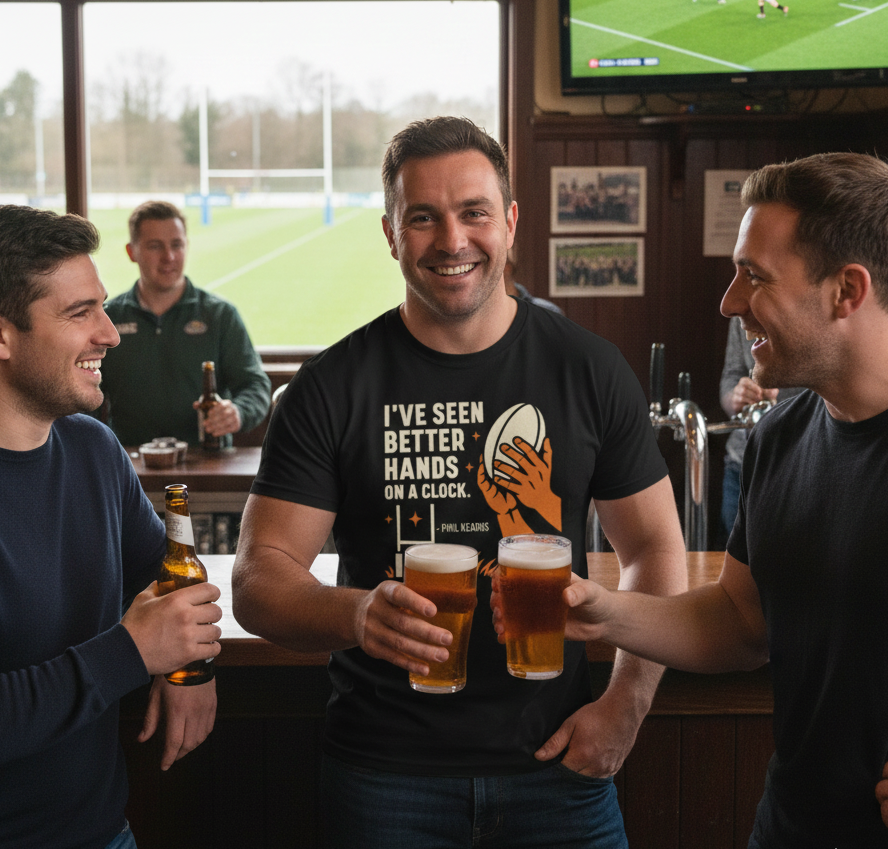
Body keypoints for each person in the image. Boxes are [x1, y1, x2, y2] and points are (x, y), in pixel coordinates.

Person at [232, 116, 687, 849]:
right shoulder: (330, 386)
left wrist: (626, 703)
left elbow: (656, 549)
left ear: (510, 223)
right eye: (423, 218)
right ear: (390, 234)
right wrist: (356, 613)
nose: (452, 240)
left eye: (474, 212)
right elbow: (259, 579)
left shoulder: (589, 368)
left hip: (560, 769)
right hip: (384, 775)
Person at [559, 153, 888, 847]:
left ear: (846, 290)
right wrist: (608, 613)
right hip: (789, 825)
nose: (730, 302)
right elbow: (741, 621)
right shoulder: (781, 437)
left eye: (755, 276)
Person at [0, 205, 222, 849]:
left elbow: (171, 578)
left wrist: (190, 670)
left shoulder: (95, 449)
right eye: (79, 313)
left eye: (102, 306)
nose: (110, 333)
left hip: (103, 832)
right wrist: (131, 654)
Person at [98, 201, 271, 447]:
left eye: (176, 245)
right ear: (131, 252)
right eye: (155, 246)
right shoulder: (108, 318)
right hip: (130, 461)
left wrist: (238, 412)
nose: (168, 257)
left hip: (207, 458)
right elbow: (85, 398)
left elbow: (255, 384)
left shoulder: (220, 315)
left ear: (187, 246)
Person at [717, 316, 801, 540]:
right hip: (741, 464)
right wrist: (736, 397)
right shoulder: (740, 316)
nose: (728, 307)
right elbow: (730, 376)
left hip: (797, 463)